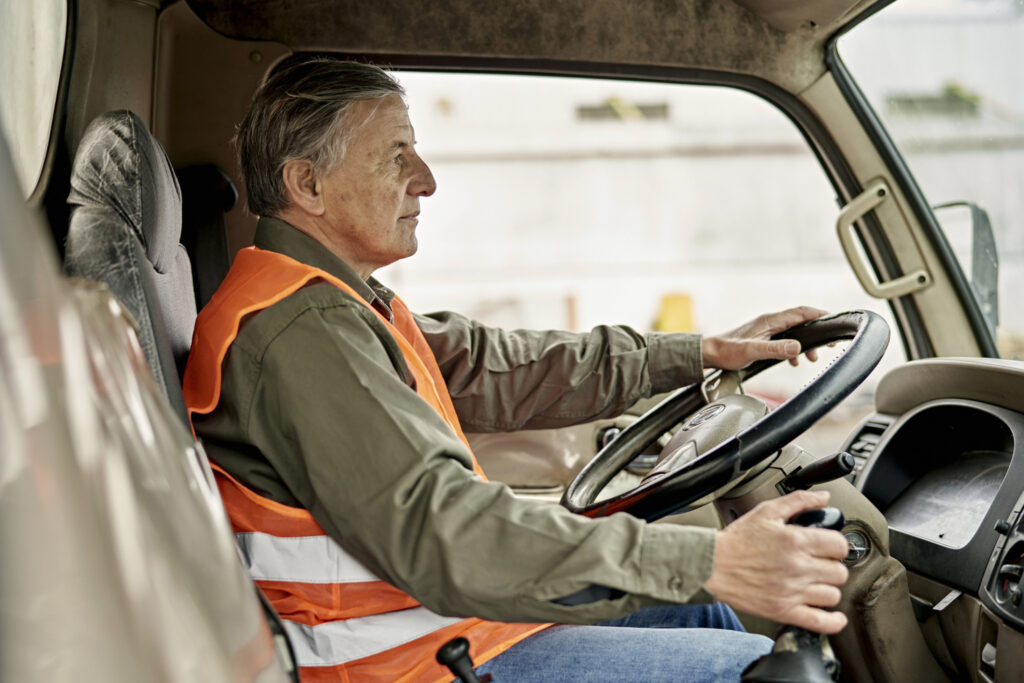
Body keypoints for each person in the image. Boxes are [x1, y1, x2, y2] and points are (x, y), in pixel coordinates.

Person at [183, 58, 850, 682]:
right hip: (398, 662)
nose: (427, 179)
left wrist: (701, 352)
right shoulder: (303, 331)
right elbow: (443, 530)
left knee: (701, 613)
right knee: (757, 663)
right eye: (396, 156)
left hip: (437, 624)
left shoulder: (337, 302)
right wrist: (706, 558)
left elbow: (500, 366)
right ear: (308, 183)